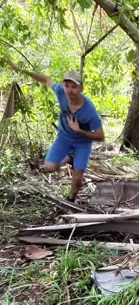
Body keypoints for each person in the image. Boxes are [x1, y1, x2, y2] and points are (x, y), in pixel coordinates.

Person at [5, 60, 104, 201]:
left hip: (82, 143)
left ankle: (71, 199)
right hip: (63, 138)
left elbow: (101, 136)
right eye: (66, 86)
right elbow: (45, 79)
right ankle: (70, 157)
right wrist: (21, 70)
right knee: (49, 167)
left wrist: (79, 131)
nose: (69, 90)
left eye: (74, 87)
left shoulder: (89, 111)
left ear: (81, 89)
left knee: (77, 176)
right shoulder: (60, 92)